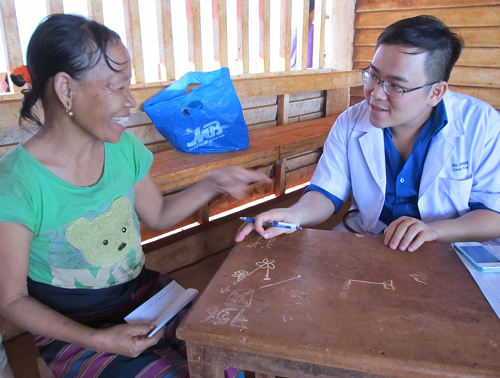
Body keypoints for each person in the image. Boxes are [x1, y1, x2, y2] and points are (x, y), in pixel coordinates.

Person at [0, 14, 270, 378]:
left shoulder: (122, 148)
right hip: (74, 326)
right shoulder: (17, 182)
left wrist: (211, 183)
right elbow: (12, 300)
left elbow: (156, 214)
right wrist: (100, 341)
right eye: (117, 86)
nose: (131, 101)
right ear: (66, 90)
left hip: (141, 297)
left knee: (230, 359)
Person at [237, 15, 500, 252]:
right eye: (372, 76)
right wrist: (295, 214)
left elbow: (493, 215)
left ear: (435, 93)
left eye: (395, 86)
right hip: (369, 241)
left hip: (449, 250)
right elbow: (326, 192)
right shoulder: (350, 121)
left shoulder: (482, 124)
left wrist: (435, 230)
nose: (375, 94)